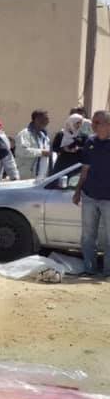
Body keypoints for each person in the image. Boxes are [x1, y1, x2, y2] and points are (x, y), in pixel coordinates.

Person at [73, 111, 110, 276]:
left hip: (108, 199)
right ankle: (89, 269)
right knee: (88, 236)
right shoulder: (90, 142)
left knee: (108, 238)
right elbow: (85, 170)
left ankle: (108, 271)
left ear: (108, 125)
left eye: (97, 122)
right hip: (89, 196)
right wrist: (77, 191)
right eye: (93, 122)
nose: (93, 125)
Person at [15, 109, 52, 180]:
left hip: (41, 175)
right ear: (36, 119)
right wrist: (42, 152)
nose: (48, 121)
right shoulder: (25, 134)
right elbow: (22, 151)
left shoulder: (43, 135)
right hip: (27, 175)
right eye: (45, 119)